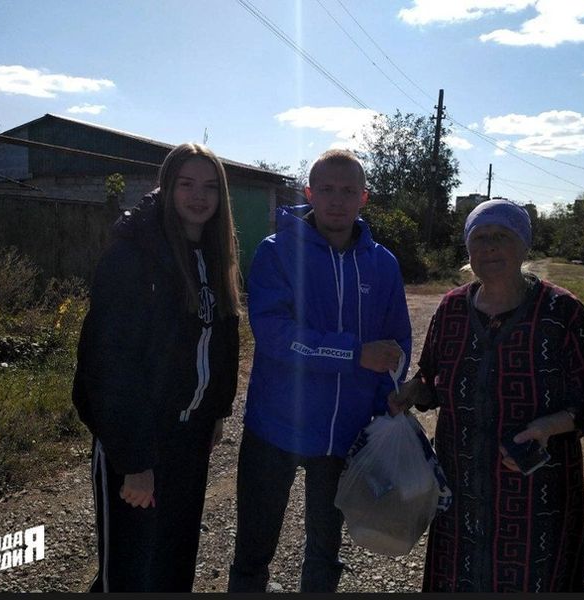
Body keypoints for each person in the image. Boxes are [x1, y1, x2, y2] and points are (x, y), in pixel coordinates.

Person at [390, 199, 584, 593]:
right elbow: (434, 381)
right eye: (480, 238)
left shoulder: (561, 312)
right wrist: (412, 390)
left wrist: (552, 425)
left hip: (538, 494)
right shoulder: (450, 310)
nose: (490, 247)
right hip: (461, 490)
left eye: (502, 236)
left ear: (524, 246)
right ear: (468, 248)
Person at [228, 149, 412, 592]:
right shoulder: (277, 252)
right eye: (326, 189)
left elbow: (397, 343)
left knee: (325, 551)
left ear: (364, 198)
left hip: (342, 433)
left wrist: (389, 394)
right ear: (309, 193)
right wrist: (352, 353)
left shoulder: (382, 263)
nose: (336, 200)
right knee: (254, 547)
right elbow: (274, 335)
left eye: (348, 191)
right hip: (274, 427)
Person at [71, 143, 241, 592]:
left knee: (174, 556)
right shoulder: (132, 255)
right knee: (129, 569)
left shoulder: (214, 254)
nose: (198, 196)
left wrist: (216, 411)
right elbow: (108, 365)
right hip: (141, 438)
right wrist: (134, 461)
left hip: (190, 436)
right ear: (166, 187)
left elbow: (219, 341)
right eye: (186, 184)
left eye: (209, 187)